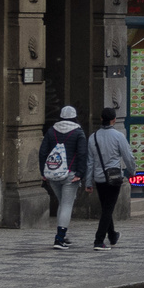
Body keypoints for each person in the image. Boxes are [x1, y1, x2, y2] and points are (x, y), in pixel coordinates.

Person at [38, 105, 89, 250]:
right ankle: (59, 238)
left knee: (62, 203)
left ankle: (63, 236)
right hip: (70, 174)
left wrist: (43, 172)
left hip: (53, 174)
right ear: (74, 117)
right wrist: (80, 173)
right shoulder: (78, 132)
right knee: (67, 204)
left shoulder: (51, 131)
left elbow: (42, 152)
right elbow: (82, 153)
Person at [86, 106, 136, 251]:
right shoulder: (118, 136)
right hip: (114, 178)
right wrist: (132, 170)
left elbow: (90, 162)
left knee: (106, 207)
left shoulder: (93, 137)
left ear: (101, 119)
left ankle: (112, 235)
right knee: (108, 209)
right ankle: (98, 240)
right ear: (114, 120)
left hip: (99, 178)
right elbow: (128, 156)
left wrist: (88, 182)